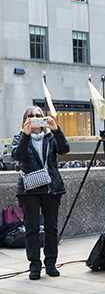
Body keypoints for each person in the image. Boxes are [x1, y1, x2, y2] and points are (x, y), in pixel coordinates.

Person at [12, 106, 69, 280]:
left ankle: (51, 263)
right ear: (25, 120)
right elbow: (18, 155)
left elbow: (64, 149)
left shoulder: (51, 137)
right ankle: (34, 265)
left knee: (51, 228)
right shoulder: (20, 137)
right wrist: (26, 134)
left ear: (43, 119)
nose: (35, 118)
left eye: (38, 115)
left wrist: (56, 129)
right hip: (30, 188)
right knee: (32, 228)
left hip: (51, 187)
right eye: (31, 116)